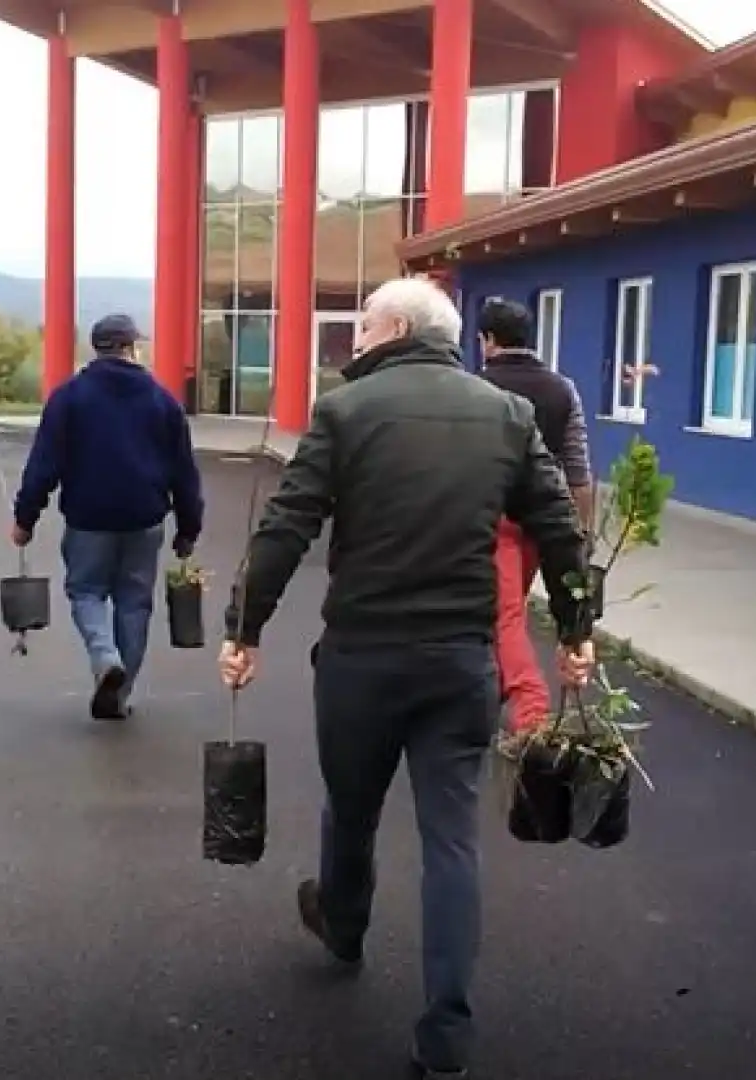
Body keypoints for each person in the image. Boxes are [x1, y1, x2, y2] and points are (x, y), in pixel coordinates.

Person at [217, 278, 596, 1079]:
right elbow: (559, 526)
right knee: (451, 841)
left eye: (361, 326)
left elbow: (288, 523)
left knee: (350, 811)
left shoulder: (346, 412)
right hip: (460, 662)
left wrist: (245, 629)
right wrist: (575, 630)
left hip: (362, 658)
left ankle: (345, 927)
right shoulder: (508, 415)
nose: (354, 339)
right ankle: (447, 1032)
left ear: (394, 327)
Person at [12, 313, 203, 721]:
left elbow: (43, 464)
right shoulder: (163, 402)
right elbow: (184, 471)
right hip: (144, 518)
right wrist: (188, 528)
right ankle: (119, 693)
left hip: (88, 518)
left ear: (96, 348)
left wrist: (25, 518)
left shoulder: (69, 397)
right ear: (132, 347)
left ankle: (104, 657)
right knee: (134, 604)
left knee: (86, 591)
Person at [473, 297, 596, 736]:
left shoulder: (475, 388)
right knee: (513, 612)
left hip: (499, 519)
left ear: (487, 340)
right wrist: (581, 533)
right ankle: (499, 693)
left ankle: (531, 717)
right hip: (550, 518)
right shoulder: (563, 389)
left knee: (503, 616)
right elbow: (578, 468)